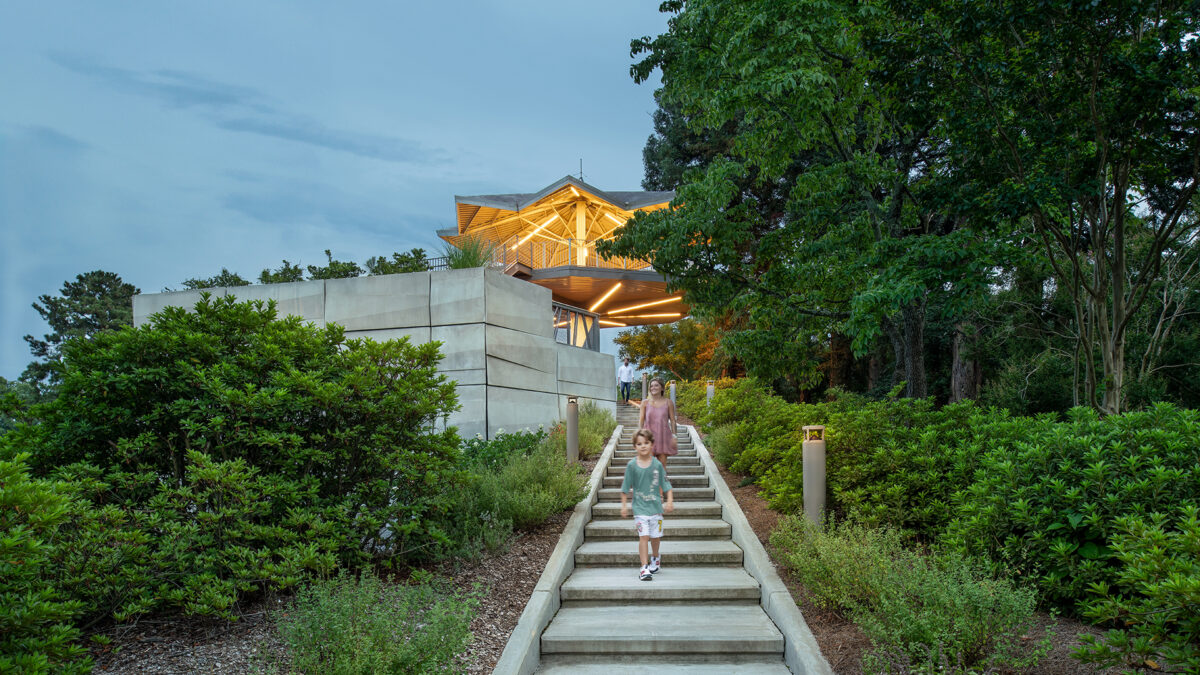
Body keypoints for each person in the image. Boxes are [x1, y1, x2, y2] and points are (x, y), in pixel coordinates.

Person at [620, 428, 674, 580]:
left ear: (652, 445)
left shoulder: (657, 465)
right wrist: (624, 505)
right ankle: (644, 568)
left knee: (655, 537)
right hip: (640, 509)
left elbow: (666, 483)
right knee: (644, 536)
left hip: (656, 508)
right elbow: (625, 487)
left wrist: (669, 500)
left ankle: (655, 558)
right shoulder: (632, 466)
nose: (643, 446)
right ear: (634, 447)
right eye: (639, 443)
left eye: (646, 443)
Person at [638, 377, 678, 459]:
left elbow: (673, 421)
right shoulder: (645, 403)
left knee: (662, 467)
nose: (653, 388)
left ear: (662, 388)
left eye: (656, 385)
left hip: (663, 437)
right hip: (648, 437)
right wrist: (639, 435)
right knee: (649, 465)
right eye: (651, 386)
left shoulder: (669, 402)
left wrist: (674, 436)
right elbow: (641, 421)